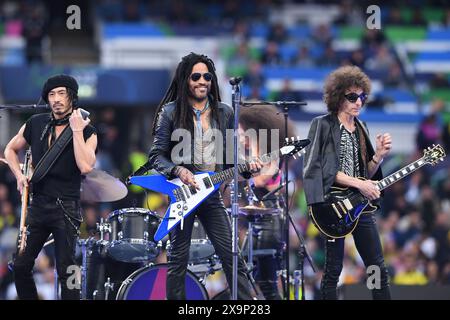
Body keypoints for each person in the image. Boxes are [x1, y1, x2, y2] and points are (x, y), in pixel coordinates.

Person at [148, 52, 260, 300]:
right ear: (186, 79)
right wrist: (178, 169)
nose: (202, 81)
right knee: (178, 260)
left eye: (207, 76)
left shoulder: (225, 112)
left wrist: (248, 166)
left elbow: (231, 160)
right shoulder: (170, 112)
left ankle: (245, 303)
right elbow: (156, 156)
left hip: (211, 195)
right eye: (196, 76)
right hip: (182, 194)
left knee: (232, 256)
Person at [4, 74, 97, 299]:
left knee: (68, 270)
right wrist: (18, 175)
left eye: (61, 94)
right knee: (21, 265)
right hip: (39, 204)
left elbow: (85, 166)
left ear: (72, 98)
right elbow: (9, 150)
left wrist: (75, 130)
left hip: (67, 207)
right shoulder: (35, 123)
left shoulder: (87, 130)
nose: (56, 99)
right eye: (52, 94)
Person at [303, 65, 392, 300]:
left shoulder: (361, 128)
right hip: (331, 205)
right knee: (333, 270)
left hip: (359, 206)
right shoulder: (322, 124)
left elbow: (368, 175)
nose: (358, 102)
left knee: (377, 267)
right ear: (338, 96)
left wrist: (379, 156)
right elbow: (318, 169)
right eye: (352, 97)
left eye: (362, 97)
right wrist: (359, 184)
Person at [238, 104, 297, 300]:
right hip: (260, 222)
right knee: (253, 276)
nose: (239, 137)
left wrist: (244, 177)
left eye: (241, 132)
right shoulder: (259, 152)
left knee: (264, 282)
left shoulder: (268, 152)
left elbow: (263, 179)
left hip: (270, 222)